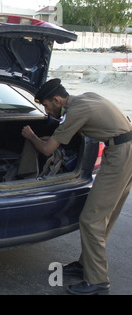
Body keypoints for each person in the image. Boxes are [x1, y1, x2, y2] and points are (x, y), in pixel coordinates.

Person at [21, 78, 132, 295]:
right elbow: (71, 133)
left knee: (91, 219)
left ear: (56, 99)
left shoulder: (74, 112)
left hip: (119, 155)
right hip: (125, 148)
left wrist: (31, 136)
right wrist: (51, 137)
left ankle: (98, 281)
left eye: (46, 105)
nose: (46, 109)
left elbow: (46, 150)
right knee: (105, 215)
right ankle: (87, 265)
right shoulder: (85, 98)